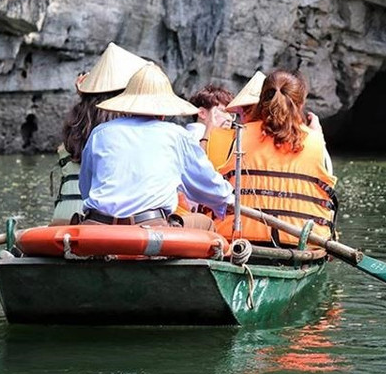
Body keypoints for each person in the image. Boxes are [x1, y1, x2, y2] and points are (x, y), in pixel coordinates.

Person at [78, 64, 234, 228]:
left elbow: (86, 188)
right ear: (164, 111)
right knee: (206, 224)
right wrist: (228, 199)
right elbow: (205, 182)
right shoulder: (176, 135)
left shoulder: (100, 132)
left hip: (97, 224)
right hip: (149, 225)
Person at [215, 70, 337, 246]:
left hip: (238, 240)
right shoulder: (316, 141)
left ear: (261, 100)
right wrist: (319, 137)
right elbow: (328, 192)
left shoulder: (239, 136)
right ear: (301, 104)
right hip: (300, 242)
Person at [49, 43, 149, 226]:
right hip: (98, 222)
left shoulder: (73, 131)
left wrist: (83, 95)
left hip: (62, 220)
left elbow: (92, 114)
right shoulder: (126, 134)